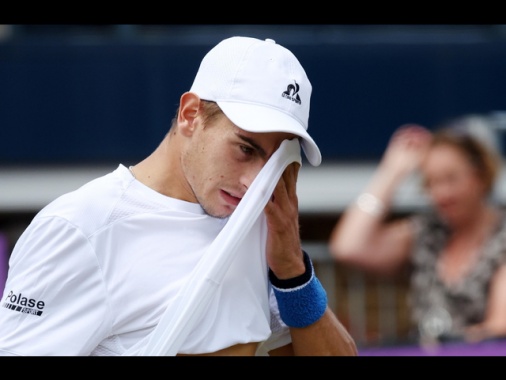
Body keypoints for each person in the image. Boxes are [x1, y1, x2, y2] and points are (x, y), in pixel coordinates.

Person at [0, 36, 357, 356]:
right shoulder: (79, 228)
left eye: (274, 161)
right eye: (246, 149)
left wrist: (292, 271)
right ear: (190, 115)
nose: (256, 182)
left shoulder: (258, 228)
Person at [329, 115, 506, 347]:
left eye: (451, 178)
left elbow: (498, 326)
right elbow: (347, 247)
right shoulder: (427, 232)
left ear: (481, 175)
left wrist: (447, 344)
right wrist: (391, 172)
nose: (442, 194)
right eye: (431, 182)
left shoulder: (501, 236)